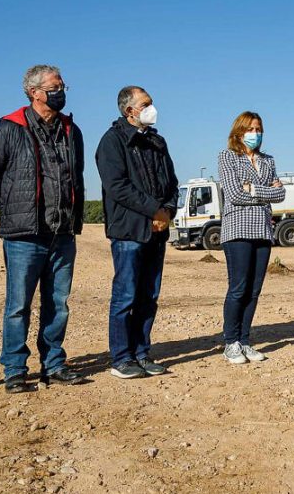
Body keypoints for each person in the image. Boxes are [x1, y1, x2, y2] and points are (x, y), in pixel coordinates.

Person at [0, 64, 86, 392]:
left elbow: (77, 175)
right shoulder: (8, 128)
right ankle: (14, 369)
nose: (61, 91)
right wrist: (17, 205)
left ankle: (53, 363)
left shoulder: (72, 130)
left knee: (58, 302)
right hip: (24, 233)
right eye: (55, 86)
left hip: (62, 231)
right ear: (34, 92)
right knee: (18, 304)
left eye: (62, 86)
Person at [96, 86, 178, 379]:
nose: (151, 108)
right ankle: (121, 358)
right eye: (146, 104)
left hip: (157, 231)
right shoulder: (112, 141)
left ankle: (142, 353)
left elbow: (171, 182)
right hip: (129, 231)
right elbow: (117, 186)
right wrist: (153, 210)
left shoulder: (158, 141)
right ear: (129, 110)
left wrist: (167, 211)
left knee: (149, 295)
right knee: (126, 296)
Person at [217, 112, 285, 365]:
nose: (255, 133)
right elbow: (234, 194)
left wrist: (253, 189)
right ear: (239, 131)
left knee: (254, 291)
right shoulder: (228, 157)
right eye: (250, 128)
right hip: (237, 230)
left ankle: (245, 340)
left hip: (263, 231)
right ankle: (231, 342)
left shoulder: (268, 160)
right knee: (238, 287)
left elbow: (281, 195)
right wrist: (266, 191)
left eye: (259, 128)